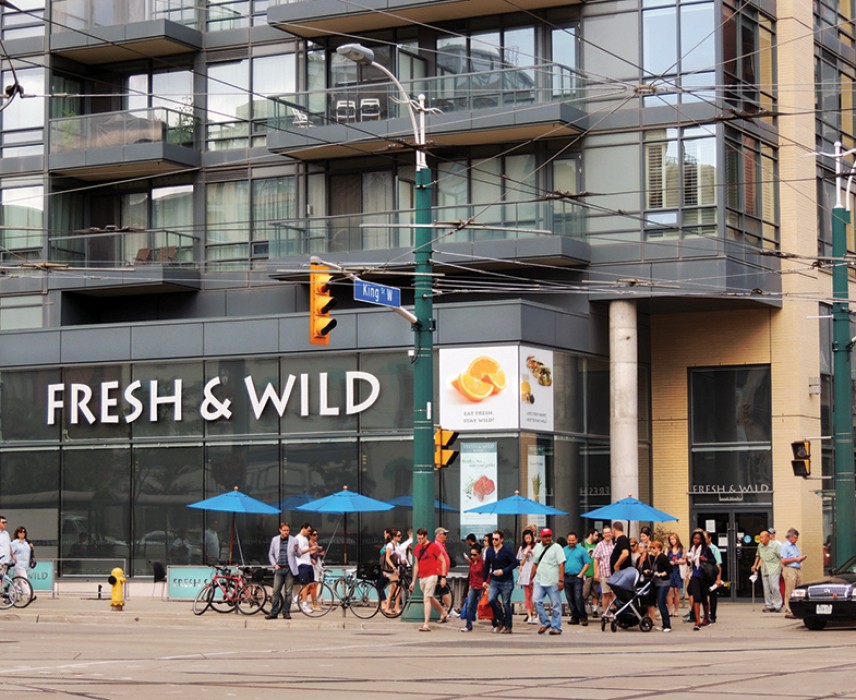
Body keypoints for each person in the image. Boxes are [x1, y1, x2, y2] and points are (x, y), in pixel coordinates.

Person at [409, 527, 448, 631]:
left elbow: (442, 560)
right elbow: (416, 565)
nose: (420, 540)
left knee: (426, 598)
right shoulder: (417, 548)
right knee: (430, 597)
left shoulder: (433, 546)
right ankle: (443, 612)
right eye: (418, 538)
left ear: (425, 536)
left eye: (421, 538)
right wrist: (413, 581)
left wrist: (443, 577)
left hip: (432, 575)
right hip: (422, 576)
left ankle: (426, 624)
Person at [532, 528, 566, 635]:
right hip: (539, 579)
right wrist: (530, 578)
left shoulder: (557, 548)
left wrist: (561, 580)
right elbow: (535, 563)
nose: (547, 538)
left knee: (556, 604)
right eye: (545, 536)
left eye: (549, 536)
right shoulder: (537, 547)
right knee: (536, 600)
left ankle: (556, 627)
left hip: (553, 581)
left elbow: (561, 564)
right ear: (541, 537)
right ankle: (545, 622)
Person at [484, 530, 518, 634]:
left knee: (506, 603)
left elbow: (515, 563)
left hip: (506, 580)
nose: (494, 541)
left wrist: (503, 571)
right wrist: (484, 580)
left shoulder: (507, 551)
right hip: (494, 580)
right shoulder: (489, 551)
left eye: (496, 539)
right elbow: (486, 566)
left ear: (501, 540)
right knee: (491, 600)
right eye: (492, 539)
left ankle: (508, 626)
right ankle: (501, 620)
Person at [266, 522, 299, 619]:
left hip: (289, 569)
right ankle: (274, 612)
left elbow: (299, 554)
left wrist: (296, 551)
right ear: (280, 530)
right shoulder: (275, 540)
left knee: (288, 592)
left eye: (287, 530)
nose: (286, 532)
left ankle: (286, 612)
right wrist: (274, 565)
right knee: (276, 591)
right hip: (279, 568)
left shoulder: (294, 540)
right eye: (284, 530)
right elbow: (271, 554)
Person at [686, 530, 714, 630]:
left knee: (704, 598)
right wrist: (687, 560)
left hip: (703, 576)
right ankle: (697, 621)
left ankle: (706, 617)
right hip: (694, 576)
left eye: (698, 538)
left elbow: (713, 561)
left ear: (701, 540)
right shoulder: (691, 549)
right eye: (694, 538)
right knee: (696, 597)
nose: (696, 540)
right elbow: (690, 564)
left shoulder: (706, 549)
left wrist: (704, 559)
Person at [751, 529, 783, 613]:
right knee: (766, 588)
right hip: (764, 568)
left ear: (768, 538)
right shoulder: (760, 546)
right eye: (760, 537)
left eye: (762, 537)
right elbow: (758, 555)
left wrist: (783, 567)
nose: (760, 539)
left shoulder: (775, 545)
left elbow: (781, 557)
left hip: (774, 568)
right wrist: (755, 565)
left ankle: (778, 605)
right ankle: (769, 605)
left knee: (774, 587)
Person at [562, 531, 589, 626]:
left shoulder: (582, 550)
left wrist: (581, 574)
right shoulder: (563, 550)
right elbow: (561, 564)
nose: (571, 542)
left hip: (577, 577)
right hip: (566, 577)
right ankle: (575, 617)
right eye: (569, 540)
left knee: (578, 598)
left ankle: (583, 617)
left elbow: (587, 563)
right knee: (570, 598)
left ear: (577, 540)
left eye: (573, 540)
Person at [780, 527, 807, 619]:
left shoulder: (795, 546)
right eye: (796, 538)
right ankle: (788, 610)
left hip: (797, 568)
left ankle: (798, 610)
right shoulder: (785, 546)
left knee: (799, 590)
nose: (797, 539)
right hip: (789, 569)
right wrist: (795, 559)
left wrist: (800, 559)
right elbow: (783, 560)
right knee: (790, 590)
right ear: (790, 537)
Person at [460, 543, 484, 632]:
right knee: (469, 605)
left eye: (475, 555)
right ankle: (468, 625)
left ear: (479, 554)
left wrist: (486, 585)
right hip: (474, 586)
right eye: (471, 554)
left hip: (481, 586)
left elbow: (486, 575)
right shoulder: (472, 563)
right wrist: (470, 586)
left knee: (486, 604)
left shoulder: (483, 563)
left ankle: (495, 622)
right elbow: (471, 575)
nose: (472, 556)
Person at [295, 521, 318, 613]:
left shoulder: (304, 539)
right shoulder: (297, 539)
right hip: (301, 564)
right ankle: (304, 604)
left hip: (308, 563)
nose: (309, 533)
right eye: (308, 531)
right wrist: (310, 549)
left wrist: (311, 556)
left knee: (311, 585)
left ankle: (297, 598)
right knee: (305, 585)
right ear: (303, 528)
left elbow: (305, 551)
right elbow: (298, 553)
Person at [592, 525, 615, 615]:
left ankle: (614, 613)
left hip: (614, 574)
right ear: (603, 534)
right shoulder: (600, 545)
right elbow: (595, 560)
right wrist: (596, 573)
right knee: (605, 594)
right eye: (605, 533)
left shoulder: (615, 544)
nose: (607, 534)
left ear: (611, 533)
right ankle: (605, 613)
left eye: (609, 532)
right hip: (604, 573)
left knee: (613, 594)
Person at [650, 540, 672, 632]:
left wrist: (661, 574)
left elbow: (669, 569)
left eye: (653, 548)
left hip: (664, 582)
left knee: (661, 602)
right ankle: (664, 625)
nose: (651, 550)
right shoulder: (655, 557)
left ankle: (667, 625)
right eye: (651, 548)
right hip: (658, 582)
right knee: (660, 602)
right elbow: (655, 568)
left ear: (658, 548)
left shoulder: (662, 557)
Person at [515, 529, 536, 624]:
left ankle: (535, 614)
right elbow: (520, 563)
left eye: (529, 537)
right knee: (527, 595)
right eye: (526, 538)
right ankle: (529, 615)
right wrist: (525, 555)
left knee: (535, 595)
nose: (528, 540)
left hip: (534, 573)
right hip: (525, 573)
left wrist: (532, 553)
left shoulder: (537, 546)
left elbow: (539, 559)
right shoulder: (521, 548)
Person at [432, 527, 454, 616]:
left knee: (443, 591)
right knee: (443, 590)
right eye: (444, 534)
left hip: (442, 572)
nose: (446, 536)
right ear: (439, 535)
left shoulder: (441, 544)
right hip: (439, 572)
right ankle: (449, 609)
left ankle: (448, 609)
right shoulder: (437, 544)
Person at [703, 530, 723, 623]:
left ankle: (713, 615)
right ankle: (706, 614)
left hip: (712, 575)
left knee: (712, 596)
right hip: (703, 575)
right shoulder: (700, 548)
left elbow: (718, 565)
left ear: (710, 538)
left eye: (705, 538)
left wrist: (718, 579)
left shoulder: (714, 549)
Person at [382, 529, 402, 616]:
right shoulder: (390, 545)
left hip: (395, 569)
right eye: (398, 535)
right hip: (390, 569)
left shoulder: (397, 545)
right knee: (398, 586)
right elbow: (387, 558)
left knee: (394, 587)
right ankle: (395, 607)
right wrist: (394, 567)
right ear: (394, 537)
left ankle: (388, 607)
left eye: (400, 535)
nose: (400, 537)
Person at [667, 532, 686, 617]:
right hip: (670, 570)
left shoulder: (682, 549)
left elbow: (685, 560)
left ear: (677, 539)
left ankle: (676, 610)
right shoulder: (668, 549)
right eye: (671, 539)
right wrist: (669, 562)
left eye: (673, 539)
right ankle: (670, 609)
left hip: (678, 570)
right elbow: (664, 559)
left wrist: (678, 561)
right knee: (670, 591)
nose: (672, 541)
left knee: (677, 591)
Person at [582, 529, 599, 617]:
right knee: (585, 593)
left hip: (595, 572)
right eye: (596, 535)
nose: (597, 537)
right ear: (591, 534)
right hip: (586, 573)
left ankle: (595, 610)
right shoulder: (582, 545)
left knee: (595, 593)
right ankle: (586, 609)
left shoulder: (597, 545)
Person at [307, 528, 325, 611]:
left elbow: (315, 552)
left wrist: (319, 553)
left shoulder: (315, 543)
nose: (316, 536)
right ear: (310, 535)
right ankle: (314, 604)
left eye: (317, 534)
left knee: (312, 587)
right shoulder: (308, 543)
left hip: (317, 565)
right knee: (314, 586)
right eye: (314, 534)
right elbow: (308, 554)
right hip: (312, 566)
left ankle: (298, 598)